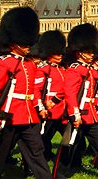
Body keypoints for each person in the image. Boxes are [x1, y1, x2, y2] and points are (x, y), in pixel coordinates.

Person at [52, 23, 98, 179]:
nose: (93, 54)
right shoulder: (74, 69)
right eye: (89, 51)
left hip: (91, 114)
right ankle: (58, 174)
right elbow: (70, 93)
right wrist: (74, 113)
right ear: (79, 53)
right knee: (68, 145)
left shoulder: (87, 69)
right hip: (78, 113)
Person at [0, 7, 52, 179]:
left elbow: (33, 90)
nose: (28, 46)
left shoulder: (29, 64)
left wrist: (39, 106)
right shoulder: (4, 63)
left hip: (28, 115)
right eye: (24, 42)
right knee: (0, 152)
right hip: (9, 115)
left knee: (36, 150)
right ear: (13, 42)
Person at [34, 30, 67, 161]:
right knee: (41, 138)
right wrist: (41, 107)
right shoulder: (43, 69)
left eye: (61, 53)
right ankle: (31, 164)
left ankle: (70, 162)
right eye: (56, 53)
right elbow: (37, 89)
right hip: (50, 109)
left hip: (62, 110)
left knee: (70, 138)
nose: (60, 56)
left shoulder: (61, 69)